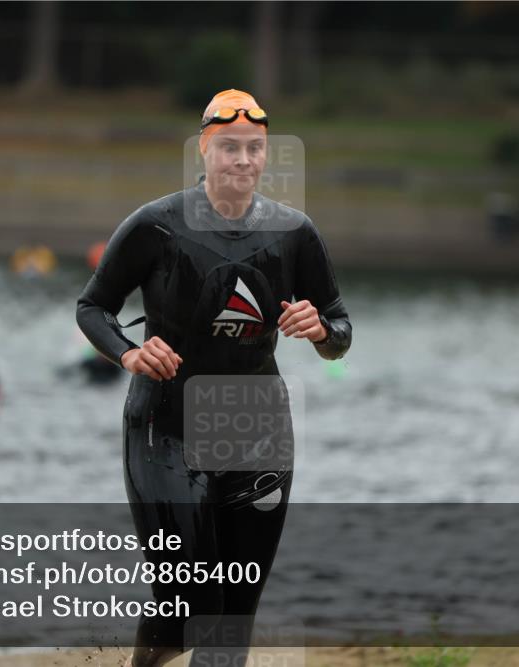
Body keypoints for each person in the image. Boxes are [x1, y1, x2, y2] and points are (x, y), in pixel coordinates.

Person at [76, 89, 351, 667]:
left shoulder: (294, 232)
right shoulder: (155, 226)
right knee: (189, 598)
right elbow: (93, 306)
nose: (243, 160)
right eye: (229, 147)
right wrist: (128, 354)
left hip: (257, 427)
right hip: (165, 426)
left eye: (254, 148)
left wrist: (321, 329)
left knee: (232, 614)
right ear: (204, 150)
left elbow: (340, 330)